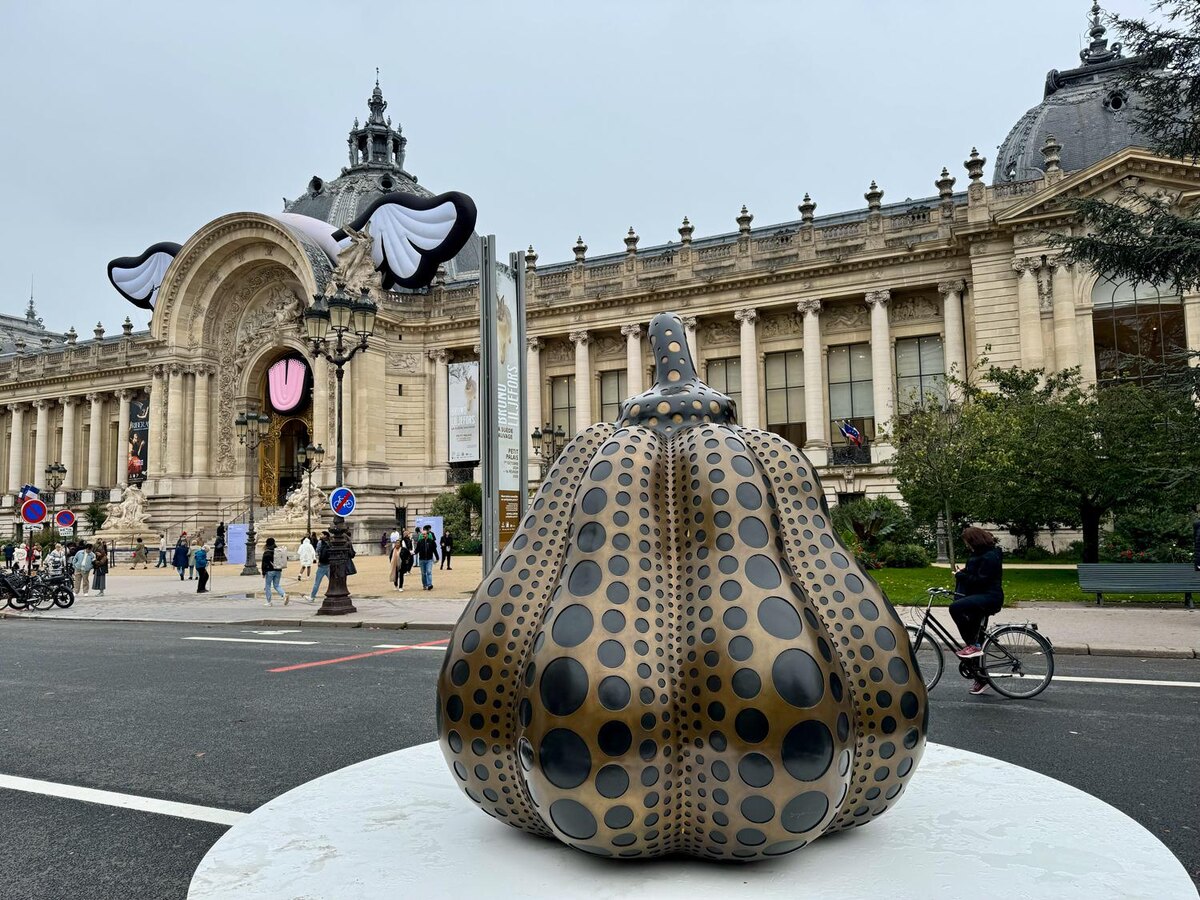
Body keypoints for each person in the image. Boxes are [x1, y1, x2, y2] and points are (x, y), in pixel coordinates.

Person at [949, 527, 1005, 696]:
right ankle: (981, 680)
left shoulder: (989, 556)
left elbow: (981, 581)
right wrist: (963, 572)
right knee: (977, 635)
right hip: (980, 596)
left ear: (973, 540)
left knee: (955, 608)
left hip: (989, 597)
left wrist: (961, 576)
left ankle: (972, 645)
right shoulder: (979, 554)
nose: (966, 545)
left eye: (967, 542)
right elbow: (974, 573)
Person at [261, 537, 285, 607]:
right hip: (278, 570)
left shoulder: (267, 552)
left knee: (268, 586)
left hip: (270, 571)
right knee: (276, 585)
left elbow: (264, 563)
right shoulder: (278, 550)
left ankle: (269, 602)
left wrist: (263, 572)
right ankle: (284, 595)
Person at [415, 524, 439, 591]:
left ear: (427, 534)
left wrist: (437, 557)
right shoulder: (420, 542)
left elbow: (434, 550)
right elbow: (417, 550)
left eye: (425, 534)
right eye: (423, 534)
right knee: (423, 574)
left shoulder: (431, 542)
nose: (424, 535)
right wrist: (413, 553)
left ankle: (429, 585)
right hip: (422, 559)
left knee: (429, 572)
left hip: (429, 559)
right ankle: (424, 585)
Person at [309, 531, 331, 602]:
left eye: (322, 534)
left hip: (322, 565)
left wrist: (318, 560)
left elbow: (317, 551)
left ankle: (312, 597)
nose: (320, 535)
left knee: (317, 583)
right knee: (332, 581)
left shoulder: (320, 542)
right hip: (329, 564)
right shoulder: (330, 542)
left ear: (325, 535)